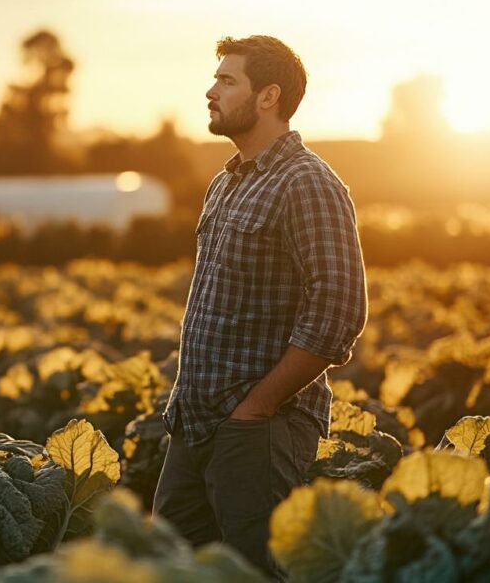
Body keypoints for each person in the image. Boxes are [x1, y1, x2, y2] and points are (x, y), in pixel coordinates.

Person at [152, 35, 369, 581]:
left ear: (269, 96)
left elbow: (339, 310)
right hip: (194, 421)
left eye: (227, 81)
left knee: (255, 572)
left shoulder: (309, 182)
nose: (210, 91)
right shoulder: (226, 182)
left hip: (256, 428)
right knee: (166, 567)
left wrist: (258, 405)